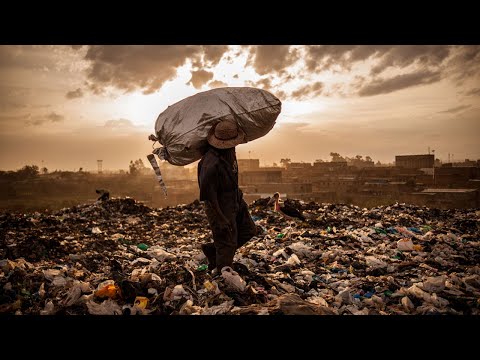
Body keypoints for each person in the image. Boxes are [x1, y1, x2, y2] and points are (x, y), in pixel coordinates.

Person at [197, 120, 257, 273]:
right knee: (227, 243)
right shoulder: (211, 164)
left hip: (235, 200)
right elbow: (209, 197)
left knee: (249, 230)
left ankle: (213, 250)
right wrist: (221, 219)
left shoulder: (229, 153)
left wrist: (238, 200)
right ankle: (223, 279)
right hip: (220, 207)